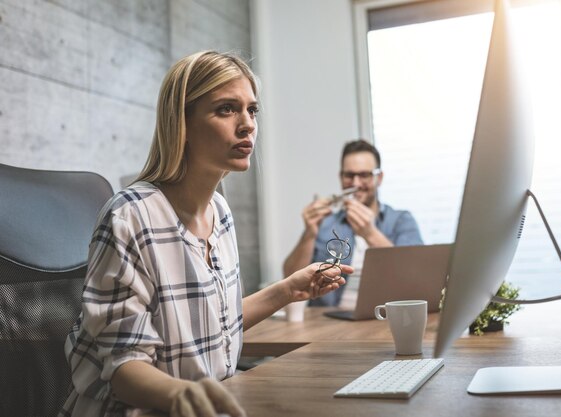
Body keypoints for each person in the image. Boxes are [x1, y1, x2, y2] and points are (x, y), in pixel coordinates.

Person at [59, 51, 351, 417]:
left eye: (252, 110)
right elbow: (123, 368)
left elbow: (215, 323)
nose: (247, 125)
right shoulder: (130, 215)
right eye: (227, 109)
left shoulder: (221, 212)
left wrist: (289, 289)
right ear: (181, 122)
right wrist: (181, 395)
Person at [282, 139, 422, 307]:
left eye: (364, 175)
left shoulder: (401, 221)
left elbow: (415, 277)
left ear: (379, 178)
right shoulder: (326, 224)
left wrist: (370, 234)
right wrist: (309, 233)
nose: (355, 184)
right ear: (341, 177)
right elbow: (291, 280)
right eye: (349, 175)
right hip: (328, 320)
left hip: (384, 316)